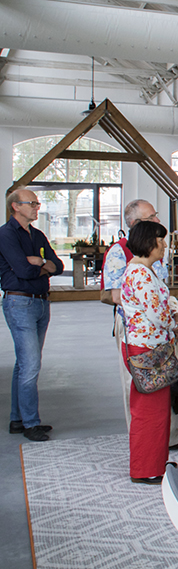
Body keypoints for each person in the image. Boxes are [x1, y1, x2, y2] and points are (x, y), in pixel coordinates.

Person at [102, 199, 178, 450]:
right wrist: (156, 311)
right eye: (151, 218)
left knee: (170, 379)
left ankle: (169, 436)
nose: (158, 221)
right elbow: (115, 294)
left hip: (161, 329)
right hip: (136, 328)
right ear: (135, 225)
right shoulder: (120, 252)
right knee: (139, 386)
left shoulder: (153, 253)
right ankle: (144, 440)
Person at [120, 220, 178, 483]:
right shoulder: (141, 273)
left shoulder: (143, 270)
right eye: (161, 241)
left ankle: (155, 460)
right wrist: (175, 323)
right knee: (149, 411)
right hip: (146, 348)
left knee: (156, 409)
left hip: (148, 345)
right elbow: (157, 313)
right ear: (150, 242)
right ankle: (145, 469)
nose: (165, 246)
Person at [0, 189, 63, 442]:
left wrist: (40, 262)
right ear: (16, 206)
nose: (37, 207)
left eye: (37, 203)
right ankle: (30, 423)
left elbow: (58, 265)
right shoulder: (5, 235)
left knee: (24, 364)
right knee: (31, 365)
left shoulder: (37, 234)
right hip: (19, 303)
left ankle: (18, 419)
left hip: (40, 304)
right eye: (32, 203)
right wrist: (37, 265)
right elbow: (24, 271)